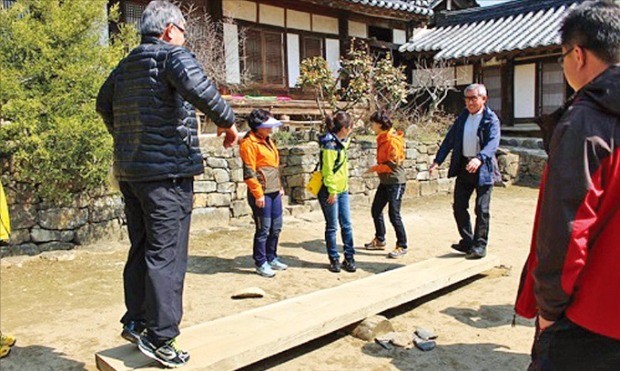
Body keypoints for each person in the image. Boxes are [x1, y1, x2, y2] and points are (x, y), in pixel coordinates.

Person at [96, 0, 236, 368]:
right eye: (185, 31)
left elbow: (103, 104)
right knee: (167, 256)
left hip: (133, 174)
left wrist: (127, 137)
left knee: (141, 248)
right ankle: (161, 338)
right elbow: (201, 89)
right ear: (170, 30)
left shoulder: (125, 65)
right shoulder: (171, 55)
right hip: (167, 176)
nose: (186, 38)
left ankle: (137, 321)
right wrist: (227, 121)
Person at [515, 2, 620, 369]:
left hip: (588, 315)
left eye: (560, 56)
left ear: (578, 54)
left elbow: (567, 226)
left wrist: (549, 308)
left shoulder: (588, 120)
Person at [429, 83, 500, 260]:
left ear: (483, 99)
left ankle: (480, 245)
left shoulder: (491, 119)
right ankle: (468, 241)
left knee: (482, 209)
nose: (469, 102)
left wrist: (480, 158)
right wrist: (438, 160)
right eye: (467, 99)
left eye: (473, 98)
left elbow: (493, 143)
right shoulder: (463, 118)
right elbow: (449, 139)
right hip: (464, 167)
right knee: (459, 206)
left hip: (483, 168)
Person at [239, 109, 287, 278]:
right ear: (257, 127)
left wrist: (279, 186)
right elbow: (249, 173)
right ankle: (260, 262)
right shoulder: (248, 144)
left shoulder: (268, 141)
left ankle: (272, 256)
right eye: (267, 126)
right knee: (263, 229)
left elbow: (273, 167)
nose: (270, 129)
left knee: (276, 227)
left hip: (274, 191)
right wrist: (258, 194)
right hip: (262, 193)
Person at [364, 110, 408, 258]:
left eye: (373, 123)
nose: (371, 125)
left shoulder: (391, 140)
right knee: (376, 209)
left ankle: (402, 245)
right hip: (385, 181)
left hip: (396, 181)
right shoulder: (382, 137)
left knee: (393, 214)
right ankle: (380, 239)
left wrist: (374, 169)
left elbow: (393, 165)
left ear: (380, 124)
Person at [317, 111, 356, 273]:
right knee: (332, 226)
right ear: (345, 128)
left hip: (342, 190)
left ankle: (349, 257)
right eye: (351, 126)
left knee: (346, 225)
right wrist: (332, 191)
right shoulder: (329, 145)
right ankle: (334, 258)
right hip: (330, 192)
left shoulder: (343, 142)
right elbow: (327, 171)